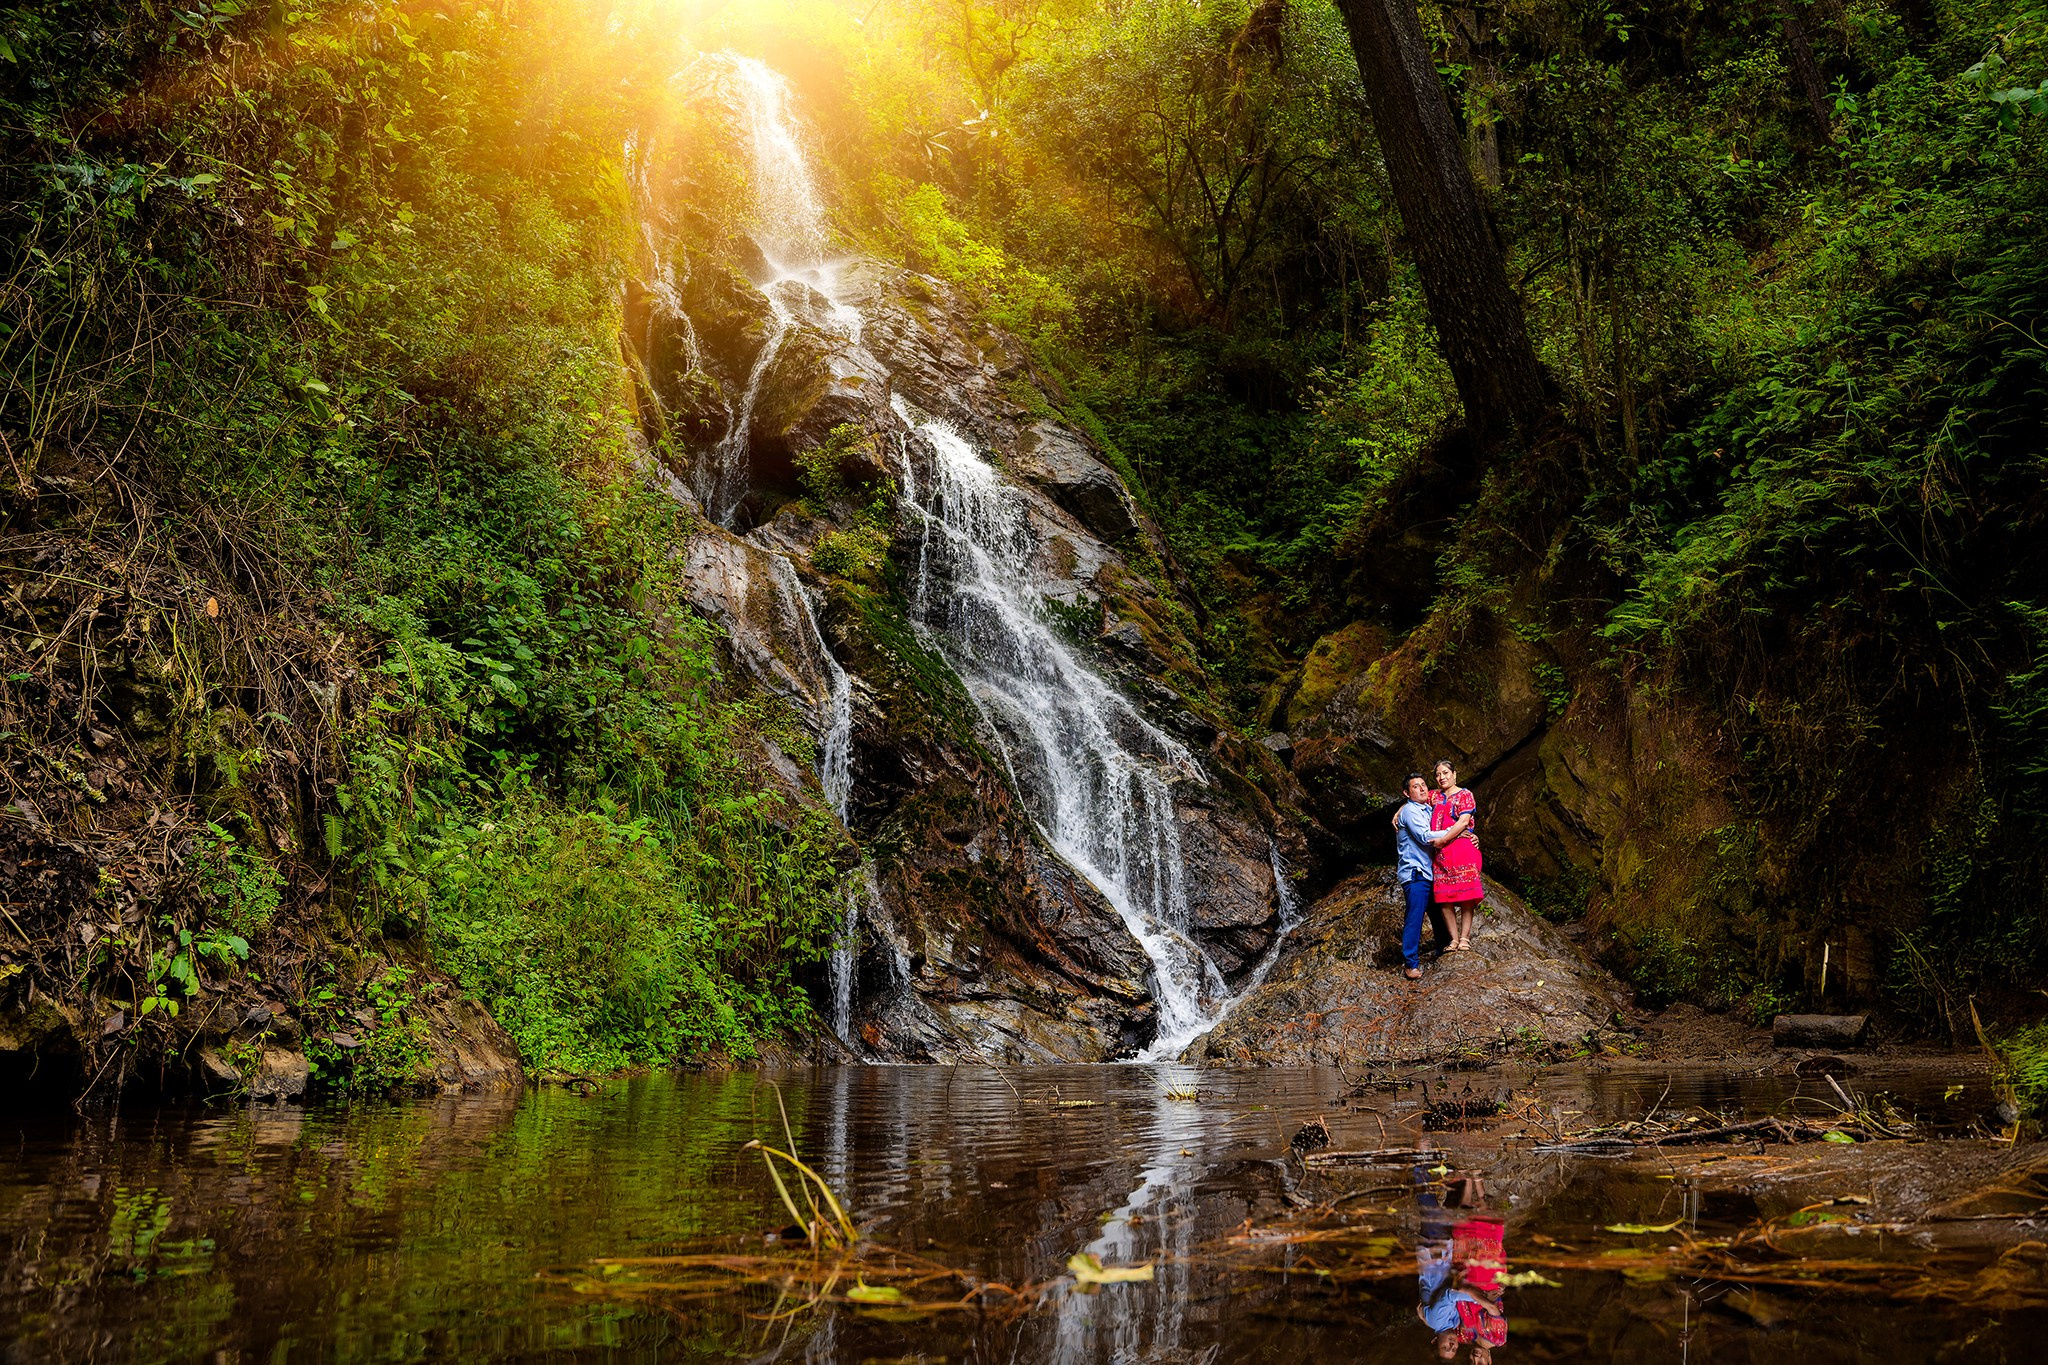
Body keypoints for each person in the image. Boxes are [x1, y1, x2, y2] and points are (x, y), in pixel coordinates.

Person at [1394, 774, 1455, 980]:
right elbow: (1425, 836)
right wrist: (1456, 830)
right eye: (1415, 787)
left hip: (1429, 871)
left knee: (1438, 913)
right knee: (1415, 917)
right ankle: (1410, 964)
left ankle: (1443, 948)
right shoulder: (1411, 811)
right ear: (1406, 793)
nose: (1421, 789)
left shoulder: (1427, 808)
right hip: (1415, 872)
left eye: (1423, 785)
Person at [1430, 759, 1485, 951]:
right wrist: (1400, 811)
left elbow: (1463, 822)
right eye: (1438, 774)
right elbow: (1415, 800)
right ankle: (1453, 939)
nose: (1442, 777)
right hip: (1441, 854)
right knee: (1444, 897)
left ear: (1454, 774)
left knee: (1467, 896)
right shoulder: (1434, 796)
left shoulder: (1464, 795)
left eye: (1445, 773)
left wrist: (1444, 839)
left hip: (1462, 848)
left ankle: (1464, 938)